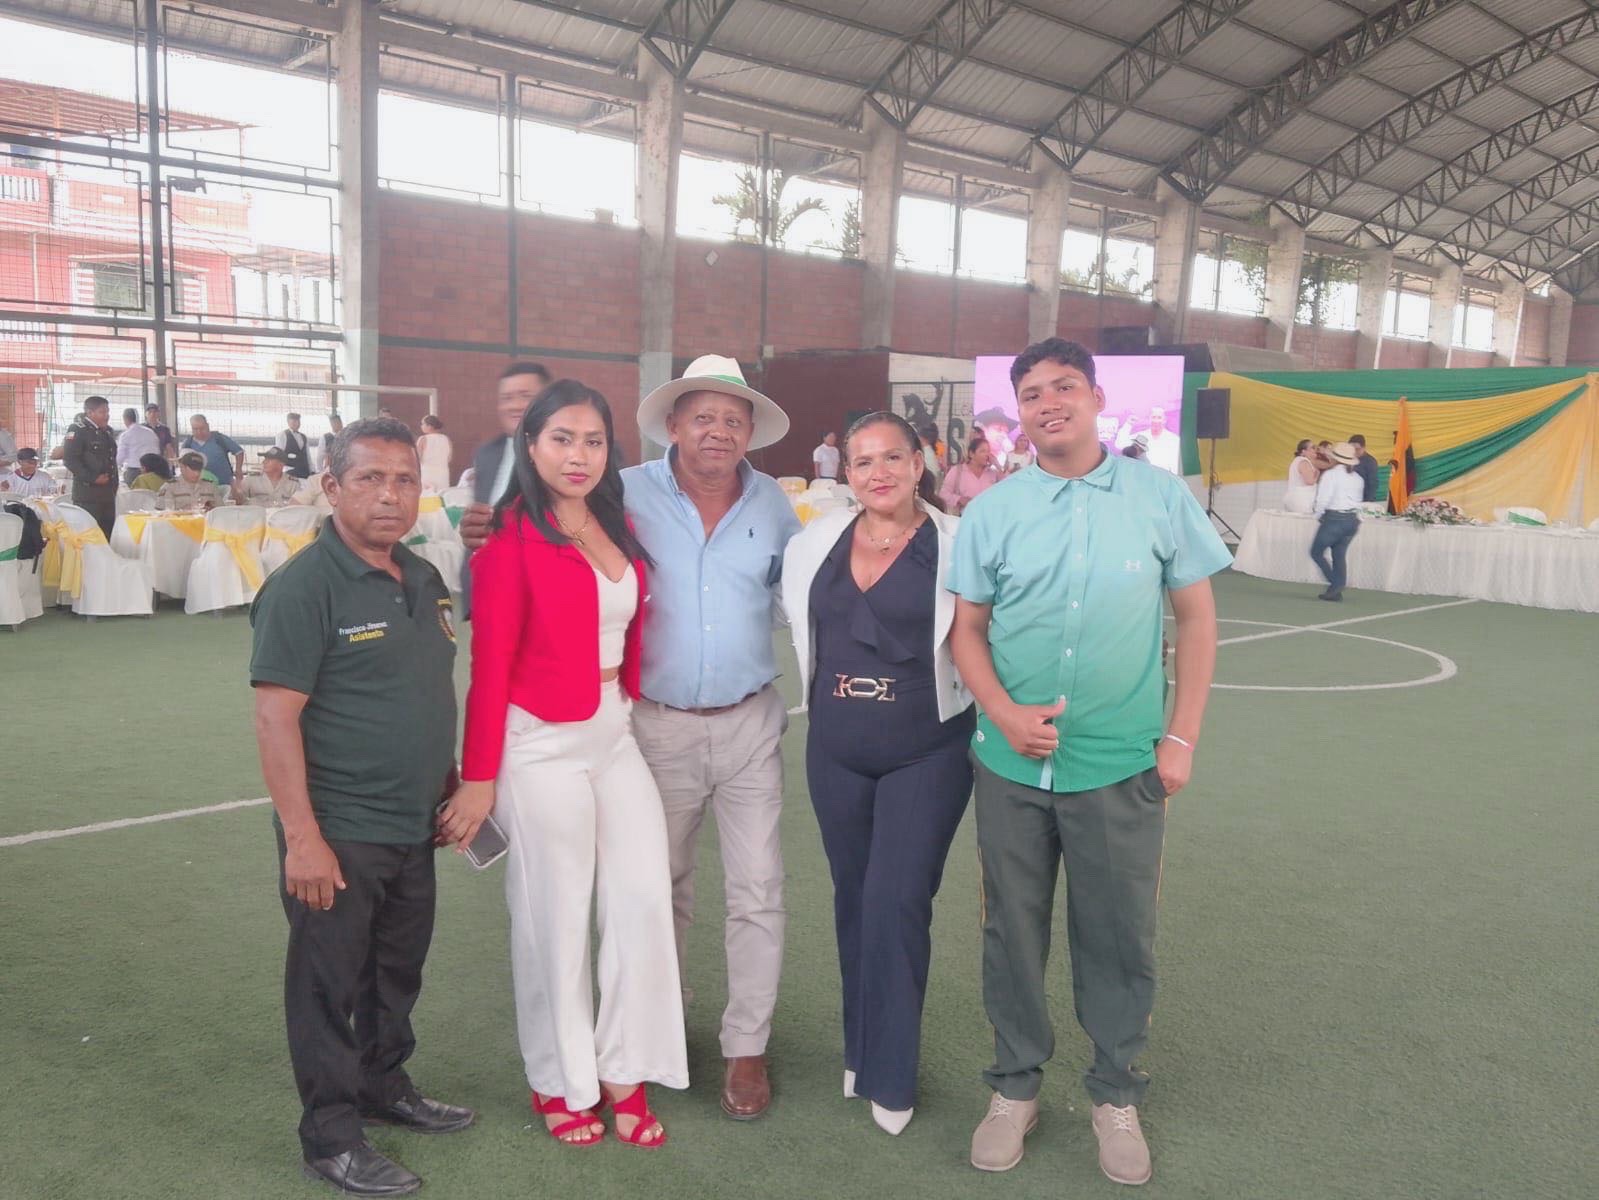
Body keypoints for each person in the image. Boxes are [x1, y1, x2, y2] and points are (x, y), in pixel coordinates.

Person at [461, 355, 799, 1119]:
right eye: (702, 416)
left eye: (733, 419)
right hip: (616, 729)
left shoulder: (762, 504)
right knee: (606, 901)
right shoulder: (604, 502)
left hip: (705, 724)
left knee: (707, 892)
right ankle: (580, 1073)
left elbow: (805, 586)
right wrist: (477, 778)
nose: (717, 431)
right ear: (671, 424)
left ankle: (695, 1054)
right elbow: (492, 660)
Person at [950, 338, 1230, 1186]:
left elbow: (1196, 620)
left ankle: (1115, 1093)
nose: (1048, 403)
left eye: (1063, 386)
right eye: (1031, 392)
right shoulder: (993, 510)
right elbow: (966, 632)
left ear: (1096, 397)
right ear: (1018, 412)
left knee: (1116, 934)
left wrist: (1180, 738)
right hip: (1009, 768)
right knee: (1011, 931)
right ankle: (1014, 1087)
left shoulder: (1157, 497)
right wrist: (1003, 714)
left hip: (1119, 766)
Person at [451, 380, 686, 1150]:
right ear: (531, 445)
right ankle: (558, 1079)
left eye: (592, 440)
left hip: (614, 733)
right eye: (560, 438)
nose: (577, 455)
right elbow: (489, 666)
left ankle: (625, 1067)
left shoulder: (620, 522)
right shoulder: (508, 540)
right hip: (538, 744)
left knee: (641, 897)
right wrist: (479, 778)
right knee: (554, 917)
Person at [250, 417, 472, 1197]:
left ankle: (384, 1086)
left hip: (413, 823)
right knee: (327, 986)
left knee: (395, 972)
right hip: (338, 830)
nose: (389, 495)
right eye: (370, 478)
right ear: (332, 487)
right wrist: (302, 840)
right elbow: (275, 718)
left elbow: (423, 689)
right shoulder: (304, 586)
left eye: (404, 480)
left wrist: (445, 780)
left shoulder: (424, 577)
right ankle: (331, 1136)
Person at [781, 411, 973, 1137]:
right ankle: (860, 1052)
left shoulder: (957, 544)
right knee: (854, 900)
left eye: (892, 457)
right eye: (862, 462)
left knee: (897, 900)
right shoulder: (815, 542)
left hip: (926, 748)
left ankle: (891, 1072)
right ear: (847, 473)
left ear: (918, 463)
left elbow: (988, 635)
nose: (878, 472)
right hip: (834, 746)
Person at [462, 362, 550, 609]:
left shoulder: (566, 457)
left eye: (525, 396)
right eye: (507, 398)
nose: (515, 405)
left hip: (539, 592)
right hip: (487, 587)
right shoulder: (486, 454)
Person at [1310, 442, 1364, 602]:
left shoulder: (1331, 475)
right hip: (1352, 520)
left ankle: (1337, 583)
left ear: (1335, 459)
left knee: (1316, 552)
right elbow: (1358, 501)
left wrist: (1318, 515)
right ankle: (1334, 590)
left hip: (1334, 518)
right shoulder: (1357, 478)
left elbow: (1323, 499)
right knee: (1339, 554)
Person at [62, 395, 119, 537]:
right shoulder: (78, 429)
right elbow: (70, 459)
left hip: (107, 493)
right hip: (88, 494)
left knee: (107, 534)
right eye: (102, 412)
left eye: (107, 411)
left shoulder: (107, 431)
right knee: (89, 536)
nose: (106, 415)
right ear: (89, 412)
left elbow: (111, 458)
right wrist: (93, 478)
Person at [938, 437, 1002, 515]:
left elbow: (1007, 490)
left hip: (989, 516)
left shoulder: (993, 473)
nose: (987, 455)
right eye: (982, 451)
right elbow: (943, 493)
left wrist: (998, 466)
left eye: (988, 451)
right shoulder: (958, 471)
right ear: (971, 454)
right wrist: (959, 499)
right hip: (965, 517)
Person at [181, 414, 245, 488]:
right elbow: (182, 464)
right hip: (200, 487)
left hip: (224, 484)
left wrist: (238, 470)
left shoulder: (219, 438)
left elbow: (239, 452)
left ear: (207, 426)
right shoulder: (188, 444)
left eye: (202, 428)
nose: (199, 432)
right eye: (195, 429)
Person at [157, 451, 227, 511]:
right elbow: (162, 513)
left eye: (199, 469)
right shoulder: (169, 487)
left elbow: (221, 510)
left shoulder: (210, 486)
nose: (197, 473)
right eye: (193, 469)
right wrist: (184, 511)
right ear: (182, 467)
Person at [236, 447, 302, 507]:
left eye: (269, 460)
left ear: (281, 464)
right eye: (265, 459)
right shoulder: (251, 479)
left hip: (282, 516)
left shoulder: (293, 484)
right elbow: (238, 500)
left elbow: (298, 507)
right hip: (257, 515)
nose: (264, 462)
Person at [115, 406, 161, 487]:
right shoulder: (150, 432)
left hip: (134, 472)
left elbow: (119, 458)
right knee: (151, 493)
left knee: (135, 494)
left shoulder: (125, 435)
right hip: (153, 471)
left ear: (125, 419)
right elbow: (157, 451)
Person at [1283, 438, 1321, 514]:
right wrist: (1317, 474)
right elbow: (1310, 481)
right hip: (1301, 500)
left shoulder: (1298, 460)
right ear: (1304, 451)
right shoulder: (1304, 462)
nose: (1315, 450)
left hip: (1296, 498)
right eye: (1312, 447)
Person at [416, 415, 453, 493]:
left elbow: (417, 459)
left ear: (430, 426)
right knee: (442, 495)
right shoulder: (446, 438)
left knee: (427, 496)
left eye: (423, 424)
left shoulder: (423, 439)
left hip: (427, 473)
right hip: (443, 472)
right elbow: (449, 458)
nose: (421, 426)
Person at [1143, 406, 1182, 475]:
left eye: (1159, 417)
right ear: (1149, 419)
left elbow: (1175, 464)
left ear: (1164, 420)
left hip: (1165, 477)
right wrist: (1128, 424)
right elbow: (1122, 445)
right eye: (1153, 417)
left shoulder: (1174, 439)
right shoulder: (1141, 436)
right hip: (1145, 475)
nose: (1156, 421)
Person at [276, 412, 313, 480]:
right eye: (294, 421)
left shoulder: (304, 436)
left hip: (305, 472)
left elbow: (308, 456)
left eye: (298, 421)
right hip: (290, 472)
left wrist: (312, 470)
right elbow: (279, 456)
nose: (297, 423)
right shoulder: (282, 435)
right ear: (288, 422)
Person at [1348, 434, 1379, 502]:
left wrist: (1368, 503)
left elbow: (1373, 485)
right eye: (1351, 449)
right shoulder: (1347, 459)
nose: (1354, 451)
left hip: (1363, 500)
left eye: (1357, 449)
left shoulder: (1370, 462)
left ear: (1364, 448)